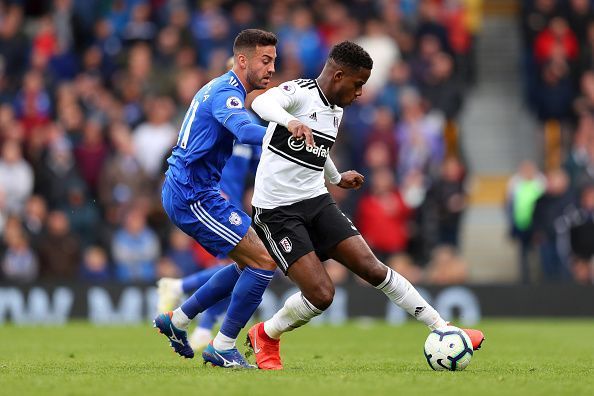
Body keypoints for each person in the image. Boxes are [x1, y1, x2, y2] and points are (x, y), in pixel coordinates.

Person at [244, 41, 485, 370]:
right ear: (339, 75)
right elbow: (261, 103)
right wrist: (290, 122)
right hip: (277, 211)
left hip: (316, 200)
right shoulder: (298, 92)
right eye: (358, 84)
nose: (359, 93)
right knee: (322, 294)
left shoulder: (336, 110)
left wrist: (336, 176)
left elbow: (319, 149)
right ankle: (266, 335)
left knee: (373, 269)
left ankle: (443, 328)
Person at [153, 29, 325, 369]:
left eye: (274, 61)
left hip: (194, 191)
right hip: (193, 195)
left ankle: (180, 319)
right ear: (242, 60)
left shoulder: (220, 88)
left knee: (251, 262)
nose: (271, 68)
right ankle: (223, 345)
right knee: (264, 262)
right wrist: (289, 128)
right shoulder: (226, 94)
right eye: (265, 60)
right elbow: (246, 132)